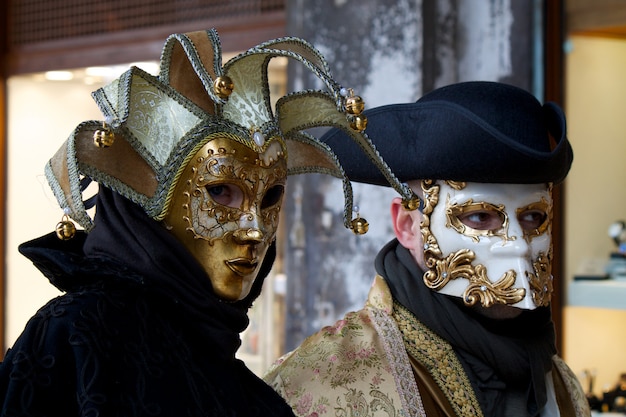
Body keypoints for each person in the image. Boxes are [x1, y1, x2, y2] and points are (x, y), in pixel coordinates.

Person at [0, 28, 412, 416]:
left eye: (269, 197)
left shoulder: (232, 377)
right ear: (150, 208)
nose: (254, 230)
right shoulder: (75, 335)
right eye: (220, 192)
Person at [264, 81, 591, 417]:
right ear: (407, 226)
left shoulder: (561, 386)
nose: (518, 245)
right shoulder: (320, 387)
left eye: (533, 217)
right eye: (480, 216)